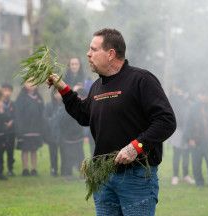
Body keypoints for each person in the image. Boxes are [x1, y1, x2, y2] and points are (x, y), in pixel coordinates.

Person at [47, 28, 176, 216]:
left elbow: (166, 121)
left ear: (110, 54)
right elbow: (84, 115)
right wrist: (62, 88)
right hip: (103, 176)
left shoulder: (141, 80)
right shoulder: (97, 87)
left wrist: (136, 146)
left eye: (93, 49)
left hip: (136, 177)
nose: (88, 54)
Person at [184, 89, 208, 187]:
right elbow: (188, 125)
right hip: (196, 140)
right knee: (196, 164)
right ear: (199, 95)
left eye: (206, 95)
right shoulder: (193, 109)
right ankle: (199, 182)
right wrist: (189, 139)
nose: (205, 97)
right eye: (203, 94)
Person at [15, 80, 45, 176]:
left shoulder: (39, 98)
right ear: (24, 84)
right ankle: (25, 169)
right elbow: (18, 114)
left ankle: (33, 169)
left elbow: (42, 114)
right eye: (29, 82)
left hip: (36, 129)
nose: (31, 84)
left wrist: (41, 127)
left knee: (33, 149)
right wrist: (19, 129)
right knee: (25, 149)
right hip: (24, 129)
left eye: (34, 82)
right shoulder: (21, 98)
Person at [169, 86, 195, 185]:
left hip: (187, 130)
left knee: (186, 154)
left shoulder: (188, 100)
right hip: (178, 130)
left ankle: (186, 175)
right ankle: (175, 176)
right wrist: (177, 95)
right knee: (177, 153)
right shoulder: (174, 98)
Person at [44, 90, 64, 177]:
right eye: (56, 93)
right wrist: (53, 121)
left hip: (63, 133)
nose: (58, 95)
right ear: (53, 94)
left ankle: (64, 169)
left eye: (60, 93)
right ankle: (53, 169)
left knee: (64, 152)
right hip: (52, 133)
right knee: (53, 153)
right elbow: (45, 118)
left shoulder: (65, 104)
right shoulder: (49, 105)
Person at [1, 83, 16, 176]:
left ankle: (10, 169)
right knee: (0, 151)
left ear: (11, 92)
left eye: (8, 91)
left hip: (11, 132)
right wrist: (3, 122)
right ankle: (0, 169)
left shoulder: (13, 104)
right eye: (4, 90)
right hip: (1, 132)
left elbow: (16, 116)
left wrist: (12, 122)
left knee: (10, 151)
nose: (6, 93)